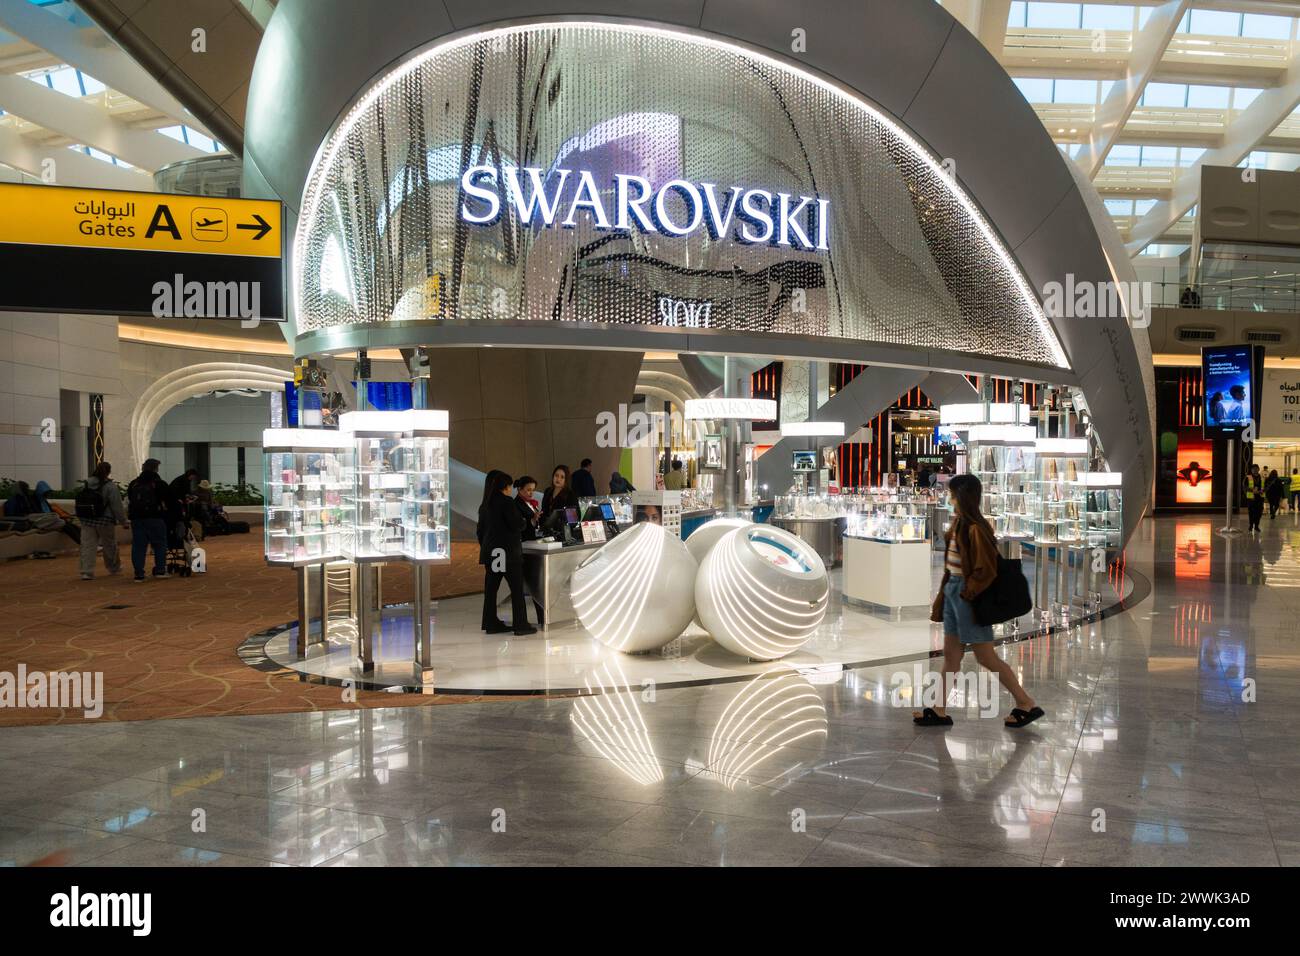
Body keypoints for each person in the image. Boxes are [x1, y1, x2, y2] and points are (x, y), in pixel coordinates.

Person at [916, 474, 1043, 729]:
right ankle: (939, 709)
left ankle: (1025, 702)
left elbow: (986, 569)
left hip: (967, 596)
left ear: (962, 496)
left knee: (986, 656)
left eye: (952, 493)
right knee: (952, 655)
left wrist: (968, 592)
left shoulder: (975, 528)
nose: (948, 497)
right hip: (955, 592)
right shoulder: (960, 524)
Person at [477, 470, 535, 636]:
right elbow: (517, 524)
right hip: (507, 553)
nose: (511, 489)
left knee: (491, 589)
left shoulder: (485, 504)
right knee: (516, 588)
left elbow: (480, 531)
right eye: (510, 485)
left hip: (492, 553)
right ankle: (520, 624)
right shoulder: (507, 502)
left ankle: (490, 622)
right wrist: (524, 521)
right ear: (505, 487)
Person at [77, 462, 127, 579]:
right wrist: (123, 521)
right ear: (109, 472)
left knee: (87, 546)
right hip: (105, 520)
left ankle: (86, 571)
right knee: (109, 544)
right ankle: (113, 568)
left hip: (87, 519)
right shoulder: (110, 486)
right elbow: (116, 506)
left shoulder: (86, 484)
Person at [127, 458, 172, 581]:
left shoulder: (134, 483)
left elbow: (130, 499)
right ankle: (160, 570)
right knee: (159, 544)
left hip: (137, 519)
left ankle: (139, 574)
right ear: (156, 468)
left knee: (138, 546)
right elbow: (168, 500)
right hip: (155, 518)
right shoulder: (159, 483)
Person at [514, 475, 540, 541]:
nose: (531, 493)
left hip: (535, 539)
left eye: (533, 490)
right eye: (529, 490)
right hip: (525, 541)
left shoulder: (532, 503)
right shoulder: (515, 504)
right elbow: (519, 527)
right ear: (519, 489)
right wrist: (533, 520)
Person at [1244, 463, 1264, 533]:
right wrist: (1252, 490)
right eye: (1253, 469)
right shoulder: (1248, 477)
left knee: (1259, 513)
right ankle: (1251, 525)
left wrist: (1262, 490)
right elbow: (1245, 487)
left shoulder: (1262, 477)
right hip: (1251, 498)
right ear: (1251, 470)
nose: (1255, 470)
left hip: (1260, 497)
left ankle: (1256, 526)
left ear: (1258, 469)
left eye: (1256, 469)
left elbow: (1265, 487)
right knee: (1251, 513)